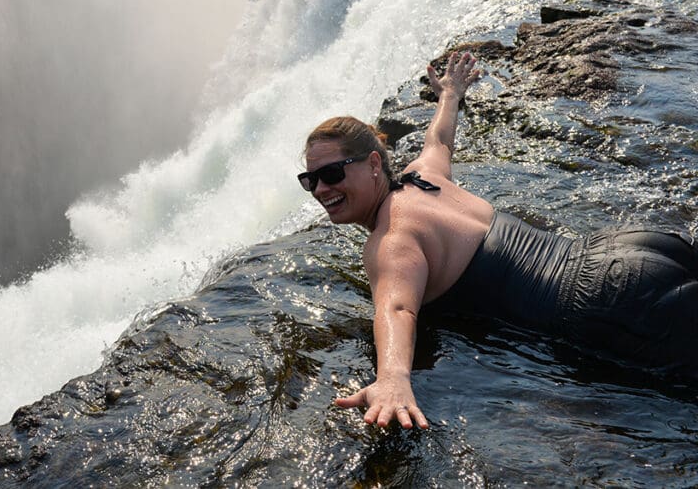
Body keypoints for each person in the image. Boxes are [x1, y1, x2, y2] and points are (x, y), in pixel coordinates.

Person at [298, 51, 698, 431]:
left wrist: (391, 379)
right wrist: (451, 94)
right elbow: (439, 142)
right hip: (623, 249)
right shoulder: (423, 177)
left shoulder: (391, 239)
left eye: (332, 174)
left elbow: (398, 308)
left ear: (372, 165)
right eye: (310, 180)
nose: (321, 190)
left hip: (605, 303)